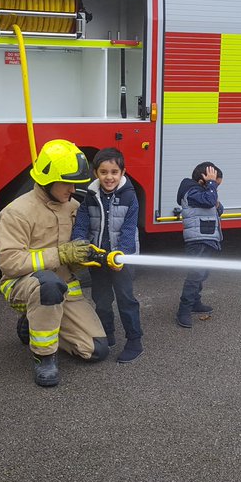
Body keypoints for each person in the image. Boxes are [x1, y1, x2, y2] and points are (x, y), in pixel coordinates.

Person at [0, 139, 110, 387]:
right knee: (48, 284)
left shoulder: (74, 207)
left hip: (63, 288)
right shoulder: (16, 213)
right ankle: (43, 358)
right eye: (67, 183)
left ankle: (37, 320)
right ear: (47, 180)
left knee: (96, 349)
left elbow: (76, 253)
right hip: (24, 284)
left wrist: (88, 257)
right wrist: (61, 255)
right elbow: (9, 262)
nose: (72, 190)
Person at [72, 147, 142, 364]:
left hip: (122, 258)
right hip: (98, 258)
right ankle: (107, 334)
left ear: (122, 172)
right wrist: (80, 244)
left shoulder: (130, 196)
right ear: (96, 173)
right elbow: (82, 223)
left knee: (126, 300)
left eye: (114, 172)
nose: (109, 177)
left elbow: (129, 229)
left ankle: (135, 341)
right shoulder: (90, 196)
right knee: (101, 300)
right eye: (104, 172)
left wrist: (121, 254)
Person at [175, 162, 223, 329]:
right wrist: (211, 186)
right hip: (197, 240)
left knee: (202, 273)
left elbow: (217, 208)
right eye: (215, 182)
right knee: (194, 275)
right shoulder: (191, 190)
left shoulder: (204, 192)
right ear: (204, 178)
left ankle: (196, 302)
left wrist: (215, 198)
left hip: (206, 237)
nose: (216, 187)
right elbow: (210, 201)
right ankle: (183, 311)